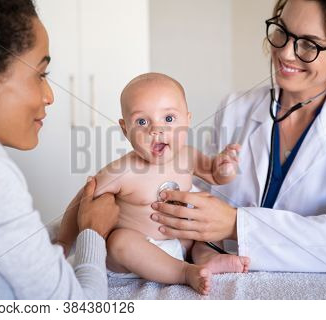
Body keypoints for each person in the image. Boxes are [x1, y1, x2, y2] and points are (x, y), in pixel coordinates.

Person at [151, 0, 326, 273]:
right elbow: (201, 197)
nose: (285, 53)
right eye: (282, 31)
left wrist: (238, 225)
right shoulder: (236, 108)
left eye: (308, 44)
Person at [0, 0, 119, 299]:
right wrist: (93, 233)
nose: (49, 96)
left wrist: (65, 229)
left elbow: (6, 251)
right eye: (41, 75)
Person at [57, 73, 250, 295]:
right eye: (142, 121)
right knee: (120, 242)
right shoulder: (123, 170)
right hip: (138, 255)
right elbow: (84, 201)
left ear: (187, 120)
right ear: (125, 129)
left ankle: (208, 259)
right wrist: (63, 241)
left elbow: (215, 175)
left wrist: (225, 168)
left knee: (205, 214)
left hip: (179, 242)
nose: (156, 130)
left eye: (168, 119)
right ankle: (184, 272)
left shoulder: (187, 157)